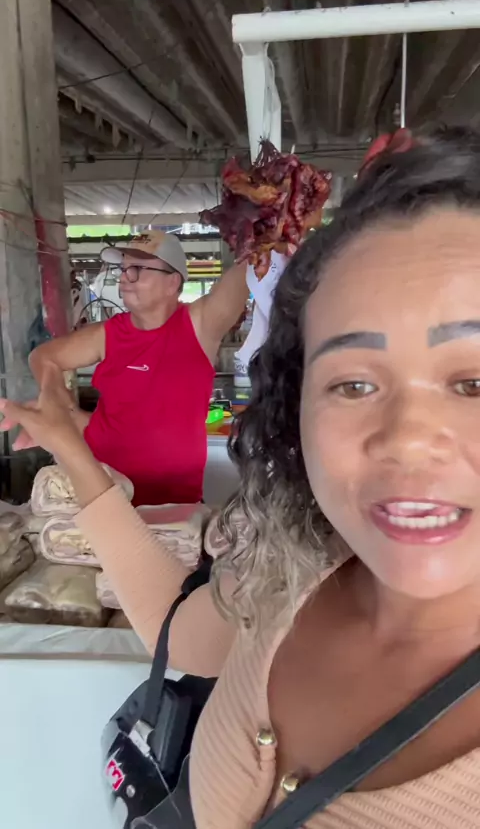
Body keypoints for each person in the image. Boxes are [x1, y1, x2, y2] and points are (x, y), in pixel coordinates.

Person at [3, 126, 480, 827]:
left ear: (174, 280)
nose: (407, 440)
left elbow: (240, 276)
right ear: (297, 404)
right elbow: (179, 631)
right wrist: (71, 450)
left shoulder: (194, 325)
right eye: (353, 383)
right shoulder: (297, 574)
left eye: (473, 381)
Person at [28, 231, 249, 506]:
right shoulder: (107, 334)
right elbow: (43, 357)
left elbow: (245, 272)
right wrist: (57, 403)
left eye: (137, 269)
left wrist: (263, 240)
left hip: (173, 504)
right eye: (123, 269)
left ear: (172, 282)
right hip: (103, 493)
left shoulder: (198, 325)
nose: (124, 278)